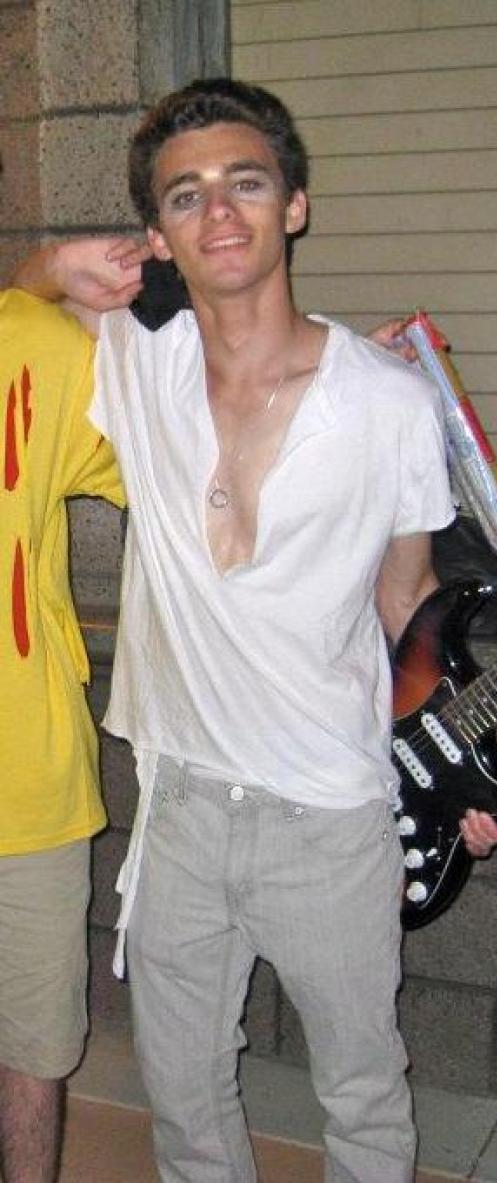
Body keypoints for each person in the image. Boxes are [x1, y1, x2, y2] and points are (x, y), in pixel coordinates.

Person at [15, 77, 497, 1182]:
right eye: (185, 194)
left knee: (360, 1087)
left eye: (244, 183)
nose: (218, 214)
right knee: (185, 1095)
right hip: (183, 808)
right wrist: (41, 268)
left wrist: (467, 775)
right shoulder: (127, 360)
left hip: (329, 808)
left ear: (292, 205)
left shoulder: (388, 403)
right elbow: (19, 348)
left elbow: (407, 610)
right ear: (158, 229)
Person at [0, 290, 127, 1182]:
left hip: (26, 782)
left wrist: (337, 383)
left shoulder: (38, 342)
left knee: (34, 1053)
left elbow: (198, 453)